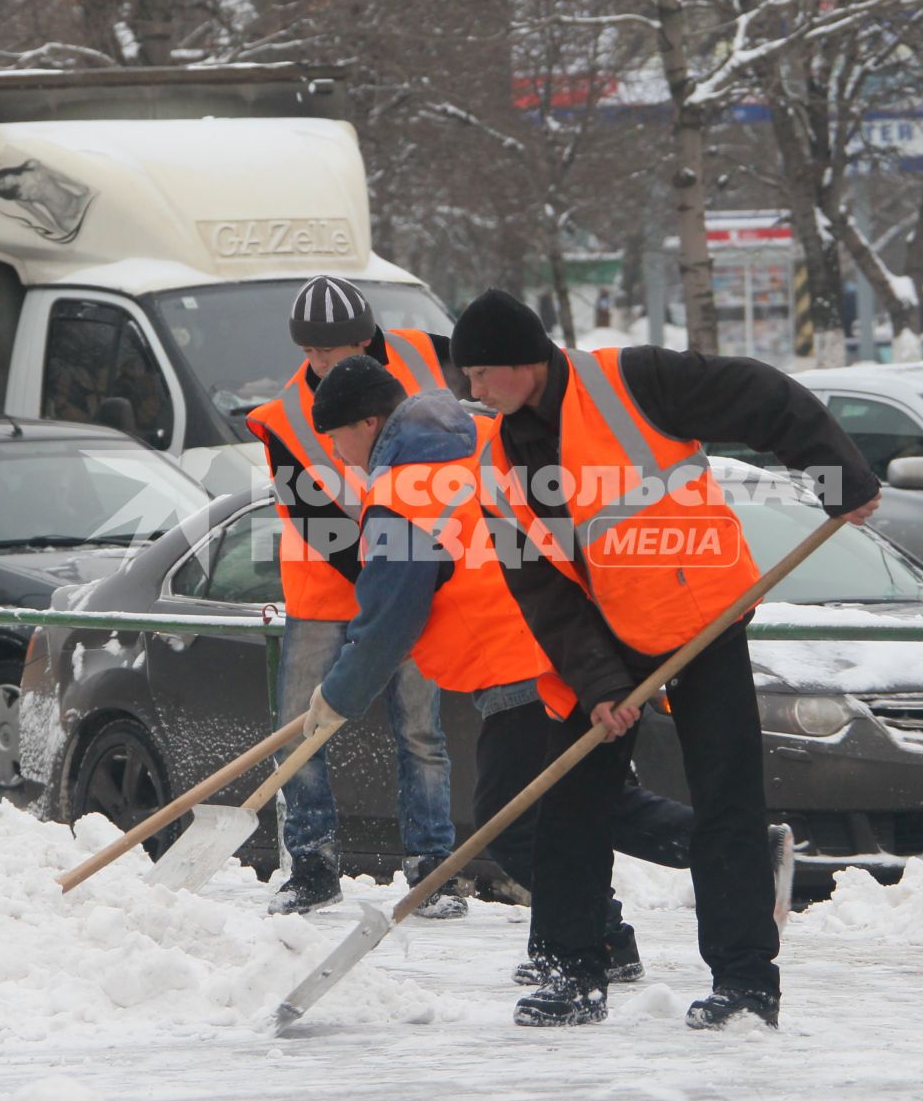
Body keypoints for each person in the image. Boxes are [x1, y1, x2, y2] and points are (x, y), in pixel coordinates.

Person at [451, 288, 881, 1030]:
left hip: (698, 615)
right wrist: (600, 686)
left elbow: (761, 396)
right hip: (599, 629)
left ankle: (745, 984)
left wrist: (838, 477)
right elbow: (540, 587)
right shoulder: (495, 462)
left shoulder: (633, 381)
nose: (473, 391)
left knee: (726, 802)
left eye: (482, 374)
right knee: (572, 805)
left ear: (523, 364)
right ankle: (571, 973)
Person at [305, 356, 720, 983]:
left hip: (523, 664)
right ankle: (615, 930)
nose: (339, 457)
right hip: (579, 650)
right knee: (589, 802)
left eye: (338, 440)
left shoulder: (401, 496)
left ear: (368, 422)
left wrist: (339, 695)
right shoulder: (489, 446)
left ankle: (605, 936)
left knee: (514, 819)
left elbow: (390, 616)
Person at [244, 276, 460, 916]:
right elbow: (317, 520)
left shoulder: (429, 357)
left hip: (417, 579)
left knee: (422, 733)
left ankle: (432, 869)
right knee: (300, 729)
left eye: (335, 350)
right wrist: (386, 589)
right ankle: (312, 865)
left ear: (366, 337)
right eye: (311, 352)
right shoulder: (284, 416)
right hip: (324, 590)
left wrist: (412, 581)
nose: (321, 364)